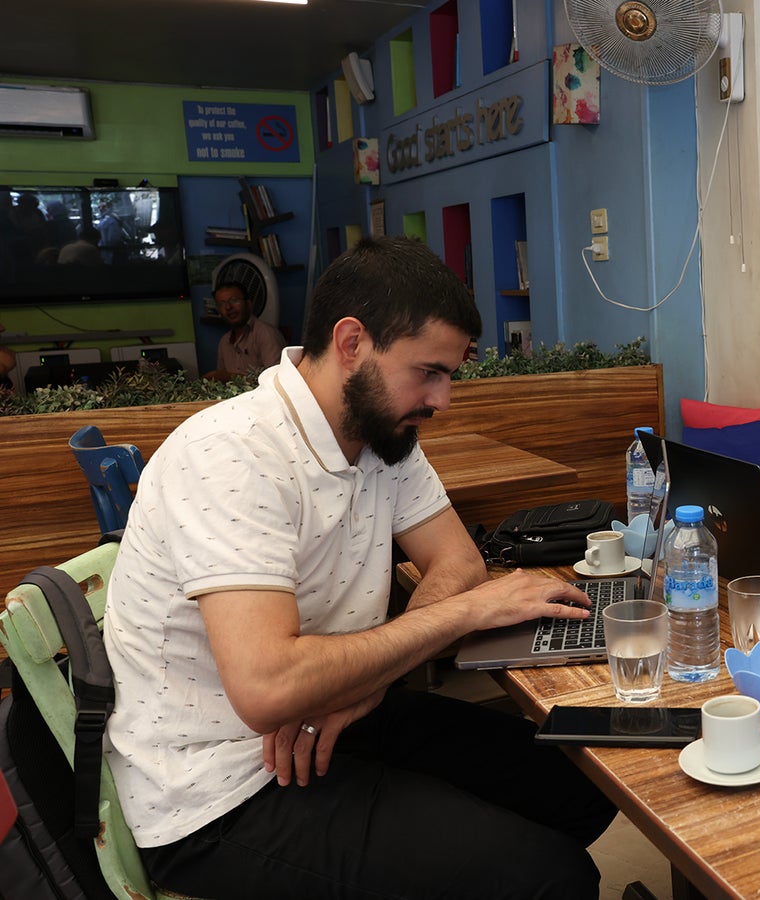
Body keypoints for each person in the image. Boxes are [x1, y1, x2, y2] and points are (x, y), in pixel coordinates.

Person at [103, 236, 617, 898]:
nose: (442, 399)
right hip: (216, 793)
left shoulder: (381, 434)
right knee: (550, 878)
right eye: (428, 372)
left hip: (329, 718)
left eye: (449, 376)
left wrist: (364, 686)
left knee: (583, 780)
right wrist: (462, 614)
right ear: (351, 343)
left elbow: (457, 559)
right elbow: (268, 688)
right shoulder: (230, 455)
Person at [205, 280, 286, 380]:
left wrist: (230, 377)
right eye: (222, 304)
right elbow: (222, 381)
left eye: (234, 300)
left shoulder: (266, 333)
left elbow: (276, 379)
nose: (228, 307)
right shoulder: (224, 342)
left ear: (248, 304)